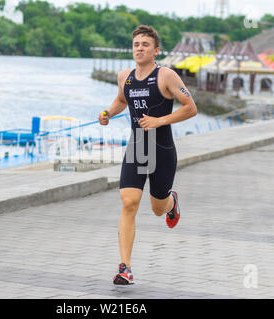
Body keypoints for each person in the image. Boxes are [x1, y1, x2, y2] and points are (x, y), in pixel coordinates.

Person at [98, 25, 197, 285]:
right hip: (139, 145)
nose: (139, 48)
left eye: (145, 44)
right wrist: (108, 114)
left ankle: (171, 203)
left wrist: (160, 120)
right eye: (136, 44)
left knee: (156, 208)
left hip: (162, 148)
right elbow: (122, 99)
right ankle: (125, 268)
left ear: (156, 50)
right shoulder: (125, 77)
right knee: (129, 202)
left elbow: (191, 108)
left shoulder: (167, 76)